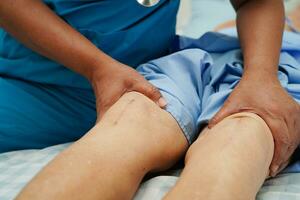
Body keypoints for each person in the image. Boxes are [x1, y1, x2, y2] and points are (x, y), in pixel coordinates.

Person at [0, 0, 297, 185]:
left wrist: (262, 76)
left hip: (139, 77)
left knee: (235, 138)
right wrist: (96, 68)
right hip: (33, 73)